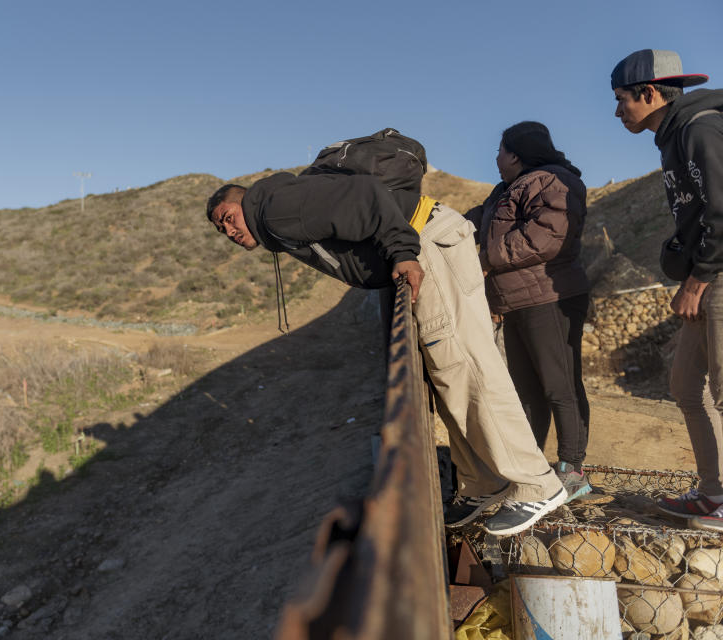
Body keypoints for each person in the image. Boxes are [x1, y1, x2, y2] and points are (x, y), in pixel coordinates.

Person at [205, 153, 565, 536]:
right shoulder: (278, 211)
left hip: (425, 245)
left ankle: (536, 483)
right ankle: (482, 483)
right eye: (220, 229)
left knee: (466, 368)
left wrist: (403, 254)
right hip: (425, 240)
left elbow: (366, 194)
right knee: (444, 377)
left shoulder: (275, 206)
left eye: (228, 217)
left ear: (245, 200)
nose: (228, 230)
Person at [610, 49, 723, 530]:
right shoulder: (675, 137)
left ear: (649, 93)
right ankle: (713, 493)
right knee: (684, 387)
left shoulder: (700, 129)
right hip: (708, 272)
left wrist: (700, 277)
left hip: (718, 274)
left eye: (621, 100)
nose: (617, 112)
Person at [465, 122, 591, 503]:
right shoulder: (503, 192)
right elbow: (471, 225)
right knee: (528, 392)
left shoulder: (553, 181)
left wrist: (485, 260)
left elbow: (546, 235)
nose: (496, 158)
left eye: (501, 150)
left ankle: (573, 471)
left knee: (560, 386)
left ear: (516, 153)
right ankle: (532, 467)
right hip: (515, 301)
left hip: (549, 297)